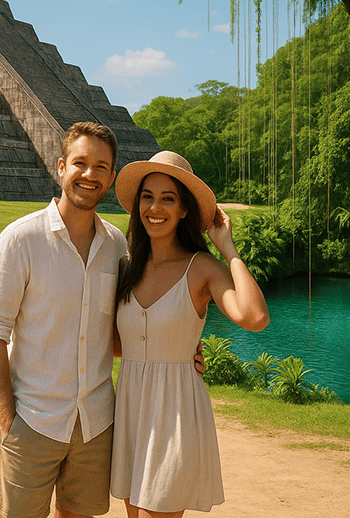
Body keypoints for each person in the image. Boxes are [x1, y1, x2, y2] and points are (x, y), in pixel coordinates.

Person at [0, 122, 125, 518]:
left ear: (111, 176)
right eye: (80, 163)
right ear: (60, 167)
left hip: (95, 423)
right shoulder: (20, 239)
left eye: (101, 166)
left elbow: (124, 331)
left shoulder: (117, 246)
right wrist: (8, 423)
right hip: (33, 420)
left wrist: (182, 349)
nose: (89, 174)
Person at [110, 150, 270, 518]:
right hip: (131, 409)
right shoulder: (126, 265)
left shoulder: (201, 269)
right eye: (148, 197)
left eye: (168, 199)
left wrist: (226, 246)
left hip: (176, 413)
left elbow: (254, 316)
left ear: (184, 210)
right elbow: (118, 342)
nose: (155, 207)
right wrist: (172, 346)